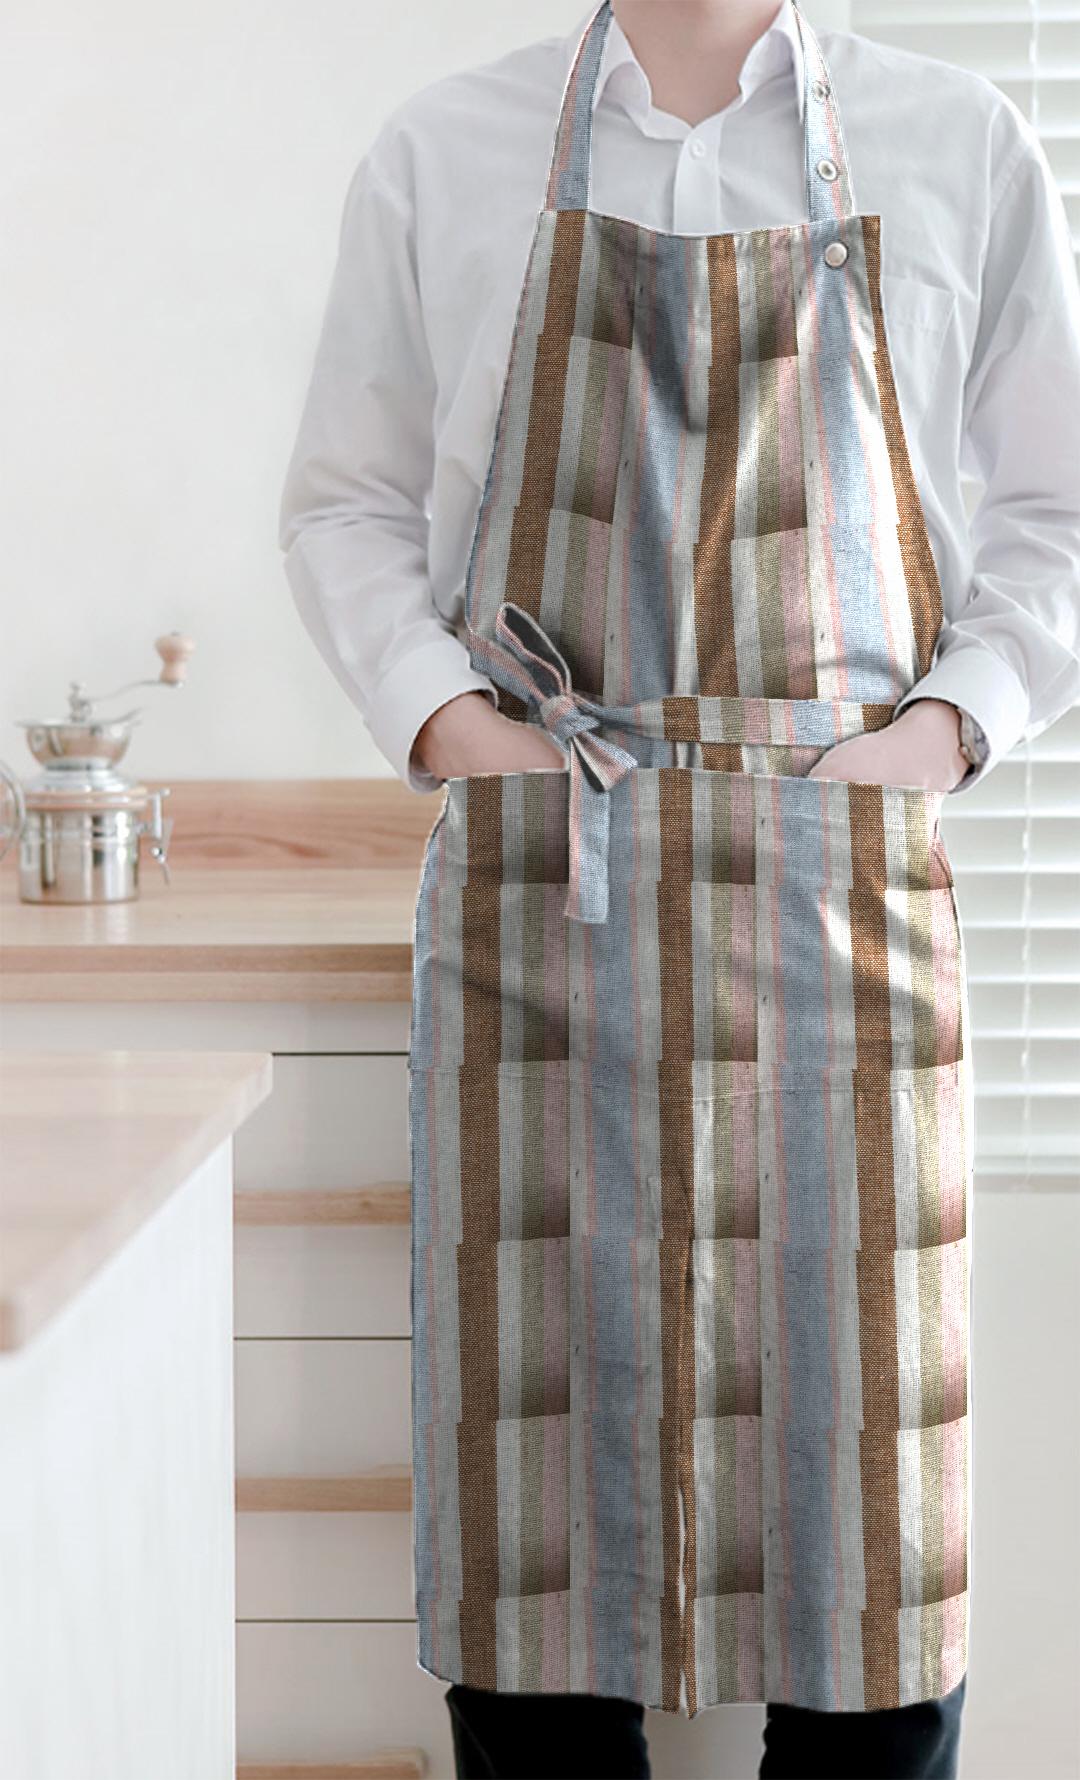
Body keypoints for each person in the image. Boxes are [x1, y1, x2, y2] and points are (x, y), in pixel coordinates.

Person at [279, 4, 1080, 1777]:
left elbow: (1062, 512)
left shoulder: (960, 142)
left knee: (871, 1571)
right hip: (550, 899)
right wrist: (455, 729)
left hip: (839, 911)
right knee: (538, 1550)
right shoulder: (444, 150)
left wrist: (942, 733)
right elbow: (345, 505)